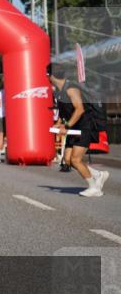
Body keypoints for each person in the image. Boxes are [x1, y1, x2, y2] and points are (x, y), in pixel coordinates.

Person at [48, 63, 109, 197]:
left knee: (76, 160)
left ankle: (94, 188)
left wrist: (67, 126)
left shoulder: (71, 89)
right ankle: (98, 175)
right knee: (68, 160)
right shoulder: (58, 91)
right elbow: (64, 112)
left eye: (47, 74)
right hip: (75, 127)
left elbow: (79, 109)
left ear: (51, 76)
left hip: (85, 126)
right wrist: (59, 124)